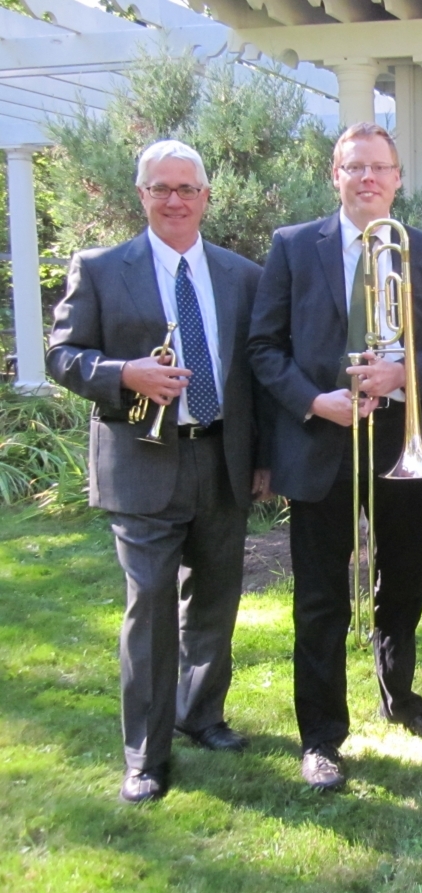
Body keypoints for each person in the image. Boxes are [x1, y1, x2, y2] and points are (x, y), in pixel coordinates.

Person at [248, 122, 422, 791]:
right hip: (322, 441)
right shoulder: (293, 247)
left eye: (380, 167)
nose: (368, 178)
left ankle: (400, 700)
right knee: (320, 600)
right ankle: (321, 736)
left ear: (397, 178)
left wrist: (404, 372)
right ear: (335, 174)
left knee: (403, 586)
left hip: (401, 441)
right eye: (355, 167)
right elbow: (264, 347)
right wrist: (315, 402)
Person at [46, 139, 269, 803]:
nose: (175, 200)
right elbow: (63, 356)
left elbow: (253, 373)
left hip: (222, 455)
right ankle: (145, 754)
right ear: (141, 195)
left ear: (206, 197)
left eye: (187, 188)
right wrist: (123, 374)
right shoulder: (100, 268)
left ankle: (201, 714)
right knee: (149, 606)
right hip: (141, 460)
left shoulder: (241, 274)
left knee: (216, 598)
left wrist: (260, 459)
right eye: (161, 188)